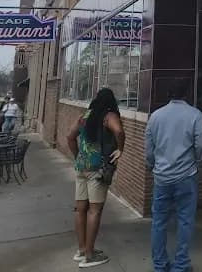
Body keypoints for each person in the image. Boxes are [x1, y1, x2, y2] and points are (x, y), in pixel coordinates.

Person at [145, 82, 202, 272]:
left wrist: (151, 166)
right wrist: (198, 163)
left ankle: (160, 264)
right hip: (186, 177)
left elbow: (149, 149)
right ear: (186, 95)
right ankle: (181, 265)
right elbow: (201, 147)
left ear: (169, 95)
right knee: (185, 221)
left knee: (159, 222)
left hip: (162, 178)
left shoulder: (155, 116)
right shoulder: (195, 115)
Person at [67, 88, 125, 268]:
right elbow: (119, 132)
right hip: (97, 170)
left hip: (81, 167)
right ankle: (90, 255)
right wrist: (120, 149)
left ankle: (82, 250)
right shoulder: (109, 116)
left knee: (80, 209)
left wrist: (78, 157)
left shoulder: (85, 115)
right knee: (94, 211)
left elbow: (70, 137)